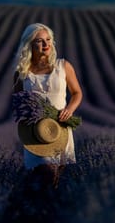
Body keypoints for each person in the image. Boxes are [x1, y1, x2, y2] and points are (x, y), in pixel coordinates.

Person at [13, 23, 82, 188]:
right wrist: (31, 112)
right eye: (39, 41)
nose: (46, 44)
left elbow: (77, 93)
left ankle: (49, 209)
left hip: (60, 128)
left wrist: (69, 110)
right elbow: (18, 101)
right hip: (36, 132)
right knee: (44, 173)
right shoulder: (22, 72)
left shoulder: (63, 66)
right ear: (29, 44)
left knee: (60, 178)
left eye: (48, 39)